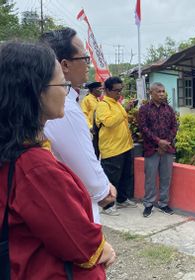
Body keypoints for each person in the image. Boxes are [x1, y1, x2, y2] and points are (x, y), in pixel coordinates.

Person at [0, 41, 115, 279]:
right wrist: (103, 248)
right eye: (61, 83)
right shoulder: (36, 168)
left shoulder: (17, 153)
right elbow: (81, 242)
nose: (66, 90)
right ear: (34, 91)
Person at [40, 28, 116, 222]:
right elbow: (96, 186)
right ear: (64, 65)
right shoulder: (63, 109)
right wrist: (105, 188)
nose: (88, 65)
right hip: (76, 216)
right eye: (85, 58)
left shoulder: (65, 104)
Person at [95, 76, 137, 214]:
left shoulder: (117, 103)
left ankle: (122, 199)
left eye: (121, 90)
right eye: (116, 90)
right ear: (107, 90)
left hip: (125, 146)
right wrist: (124, 109)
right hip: (112, 149)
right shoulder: (103, 105)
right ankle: (108, 205)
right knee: (111, 177)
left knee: (126, 175)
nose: (119, 93)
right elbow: (109, 122)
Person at [138, 82, 178, 217]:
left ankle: (163, 203)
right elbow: (143, 129)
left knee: (166, 178)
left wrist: (166, 143)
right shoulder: (144, 109)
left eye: (163, 91)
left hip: (167, 148)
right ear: (151, 93)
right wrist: (158, 142)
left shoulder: (169, 109)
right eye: (158, 92)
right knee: (150, 178)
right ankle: (148, 204)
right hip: (151, 149)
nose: (161, 94)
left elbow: (174, 126)